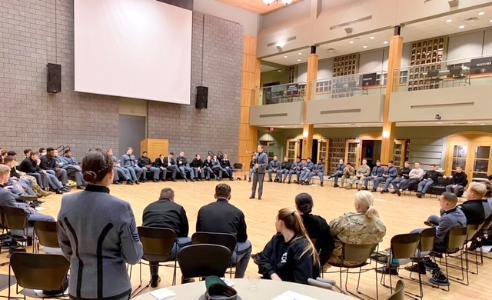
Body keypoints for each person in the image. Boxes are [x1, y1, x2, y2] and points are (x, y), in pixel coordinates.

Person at [57, 151, 143, 299]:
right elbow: (133, 256)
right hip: (113, 290)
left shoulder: (66, 202)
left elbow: (65, 246)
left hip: (77, 288)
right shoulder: (121, 207)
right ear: (111, 174)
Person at [410, 192, 466, 286]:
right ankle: (420, 266)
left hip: (445, 245)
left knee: (414, 238)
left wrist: (424, 235)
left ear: (447, 204)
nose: (439, 201)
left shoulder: (447, 218)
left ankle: (437, 273)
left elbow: (438, 238)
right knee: (421, 230)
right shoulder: (459, 212)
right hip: (456, 242)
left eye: (441, 200)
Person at [196, 184, 252, 278]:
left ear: (215, 195)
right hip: (226, 257)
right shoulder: (237, 212)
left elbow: (199, 233)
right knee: (248, 245)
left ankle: (206, 275)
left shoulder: (203, 210)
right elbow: (243, 238)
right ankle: (239, 279)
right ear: (229, 196)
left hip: (205, 255)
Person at [254, 208, 320, 284]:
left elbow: (302, 281)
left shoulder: (302, 248)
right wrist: (273, 274)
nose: (275, 223)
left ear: (281, 223)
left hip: (293, 290)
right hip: (275, 285)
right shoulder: (277, 239)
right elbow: (262, 260)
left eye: (276, 220)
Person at [142, 188, 191, 287]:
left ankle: (154, 277)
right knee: (190, 241)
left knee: (153, 240)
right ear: (172, 198)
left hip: (146, 251)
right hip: (170, 251)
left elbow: (145, 228)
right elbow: (184, 232)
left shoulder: (148, 207)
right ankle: (186, 278)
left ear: (159, 197)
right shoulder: (178, 208)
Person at [328, 191, 386, 266]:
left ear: (357, 205)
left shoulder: (346, 220)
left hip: (340, 259)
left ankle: (315, 275)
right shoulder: (379, 224)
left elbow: (329, 231)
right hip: (363, 259)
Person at [0, 165, 54, 237]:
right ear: (3, 176)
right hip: (14, 220)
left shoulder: (4, 191)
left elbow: (10, 206)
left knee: (33, 210)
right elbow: (14, 210)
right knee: (50, 218)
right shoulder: (5, 193)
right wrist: (27, 209)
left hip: (5, 218)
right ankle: (48, 240)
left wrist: (26, 206)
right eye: (8, 174)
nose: (9, 177)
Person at [295, 193, 334, 267]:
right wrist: (319, 263)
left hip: (294, 262)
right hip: (314, 262)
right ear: (312, 205)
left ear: (296, 206)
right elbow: (329, 245)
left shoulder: (291, 220)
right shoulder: (320, 221)